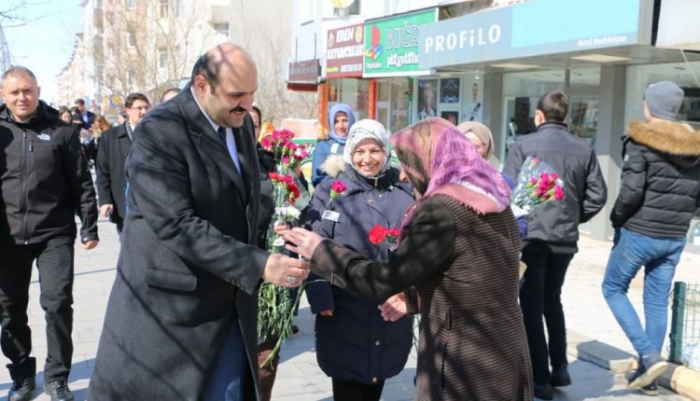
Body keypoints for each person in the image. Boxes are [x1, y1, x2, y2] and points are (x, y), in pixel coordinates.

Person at [88, 43, 309, 401]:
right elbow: (176, 223)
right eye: (237, 95)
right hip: (173, 315)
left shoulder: (235, 122)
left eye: (252, 95)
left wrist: (283, 226)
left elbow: (240, 198)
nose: (247, 106)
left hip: (230, 305)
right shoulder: (160, 132)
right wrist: (259, 264)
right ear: (202, 85)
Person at [285, 117, 533, 401]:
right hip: (504, 351)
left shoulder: (442, 210)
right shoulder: (493, 198)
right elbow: (475, 276)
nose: (403, 175)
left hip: (465, 361)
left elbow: (382, 280)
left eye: (409, 163)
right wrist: (415, 297)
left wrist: (321, 250)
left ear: (431, 159)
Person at [0, 66, 99, 401]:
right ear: (4, 95)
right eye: (14, 92)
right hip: (7, 237)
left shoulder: (62, 130)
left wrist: (89, 225)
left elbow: (82, 182)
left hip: (54, 234)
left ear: (38, 90)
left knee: (57, 304)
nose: (22, 97)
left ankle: (57, 377)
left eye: (27, 90)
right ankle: (23, 375)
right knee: (10, 310)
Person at [503, 91, 607, 400]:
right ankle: (560, 367)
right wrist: (573, 217)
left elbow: (506, 189)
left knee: (531, 308)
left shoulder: (523, 145)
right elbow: (598, 195)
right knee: (552, 300)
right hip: (564, 239)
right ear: (565, 117)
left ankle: (541, 379)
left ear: (539, 116)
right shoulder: (584, 149)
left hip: (532, 237)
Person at [304, 119, 414, 401]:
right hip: (344, 305)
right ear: (349, 153)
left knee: (377, 377)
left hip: (388, 305)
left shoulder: (404, 192)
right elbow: (313, 243)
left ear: (385, 152)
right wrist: (319, 292)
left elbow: (417, 249)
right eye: (359, 151)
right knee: (348, 382)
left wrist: (411, 292)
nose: (367, 159)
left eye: (375, 150)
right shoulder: (331, 191)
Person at [603, 81, 700, 394]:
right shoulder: (695, 147)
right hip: (674, 236)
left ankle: (648, 355)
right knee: (656, 301)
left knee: (613, 287)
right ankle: (650, 378)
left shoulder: (641, 142)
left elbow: (631, 193)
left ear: (649, 106)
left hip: (639, 232)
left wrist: (616, 218)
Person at [95, 92, 150, 234]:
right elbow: (102, 171)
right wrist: (105, 200)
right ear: (128, 111)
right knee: (128, 247)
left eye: (146, 108)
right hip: (123, 203)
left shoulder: (156, 134)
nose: (144, 112)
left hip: (151, 203)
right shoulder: (110, 137)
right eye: (139, 108)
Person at [311, 103, 355, 186]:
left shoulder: (359, 143)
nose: (340, 126)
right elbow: (316, 178)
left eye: (345, 120)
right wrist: (340, 185)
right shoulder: (323, 145)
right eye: (336, 121)